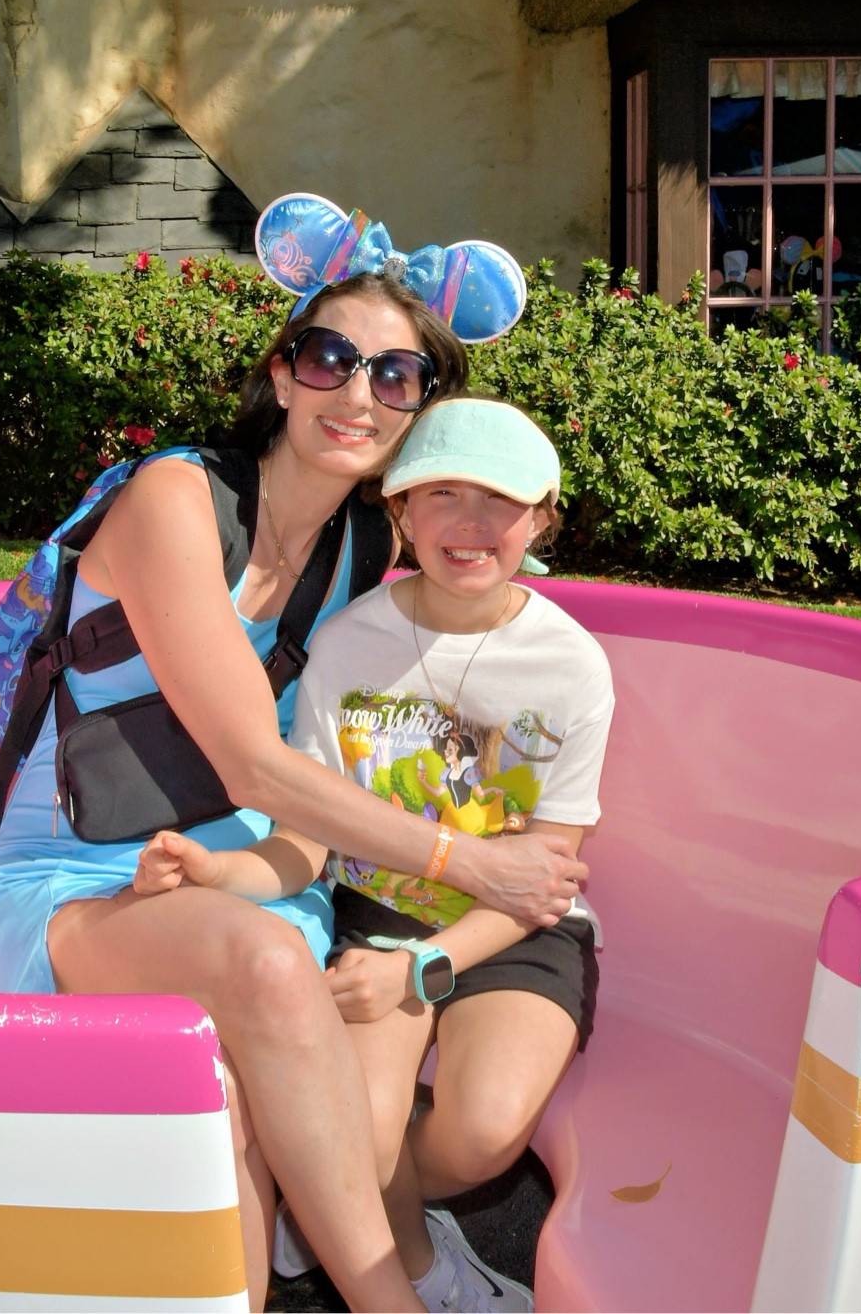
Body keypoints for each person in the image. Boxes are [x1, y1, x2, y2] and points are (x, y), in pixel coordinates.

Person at [0, 196, 583, 1312]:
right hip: (82, 875)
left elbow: (380, 719)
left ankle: (328, 1266)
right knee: (260, 970)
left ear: (422, 409)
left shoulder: (364, 543)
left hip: (257, 871)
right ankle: (391, 1296)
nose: (357, 394)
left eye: (395, 376)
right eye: (330, 358)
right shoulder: (175, 500)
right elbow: (254, 760)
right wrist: (468, 863)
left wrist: (517, 804)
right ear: (282, 372)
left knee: (244, 1080)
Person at [137, 399, 614, 1312]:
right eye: (443, 494)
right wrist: (218, 872)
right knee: (356, 1126)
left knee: (483, 1135)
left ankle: (321, 1202)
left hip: (511, 929)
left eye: (501, 500)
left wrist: (420, 970)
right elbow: (306, 836)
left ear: (543, 520)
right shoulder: (350, 640)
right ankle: (422, 1267)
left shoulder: (571, 664)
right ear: (399, 509)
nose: (471, 523)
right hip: (370, 921)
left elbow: (544, 875)